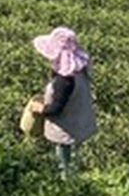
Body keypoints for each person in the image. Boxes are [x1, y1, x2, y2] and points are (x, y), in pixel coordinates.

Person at [27, 26, 97, 176]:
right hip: (80, 124)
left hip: (65, 131)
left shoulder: (64, 81)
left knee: (64, 166)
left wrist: (39, 108)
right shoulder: (80, 70)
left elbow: (55, 109)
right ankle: (76, 181)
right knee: (75, 160)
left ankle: (67, 185)